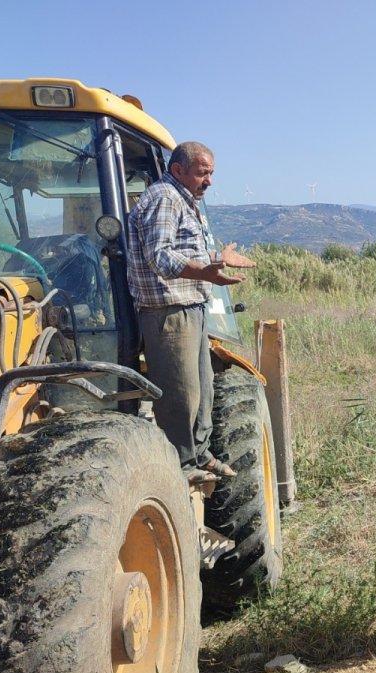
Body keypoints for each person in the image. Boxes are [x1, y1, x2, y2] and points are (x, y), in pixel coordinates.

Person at [126, 141, 255, 476]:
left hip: (191, 305)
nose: (209, 181)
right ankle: (181, 464)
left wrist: (216, 260)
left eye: (211, 173)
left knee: (201, 387)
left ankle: (199, 454)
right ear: (178, 169)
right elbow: (161, 255)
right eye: (202, 173)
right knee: (180, 393)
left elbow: (183, 255)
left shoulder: (184, 201)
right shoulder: (165, 199)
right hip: (168, 311)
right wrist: (203, 271)